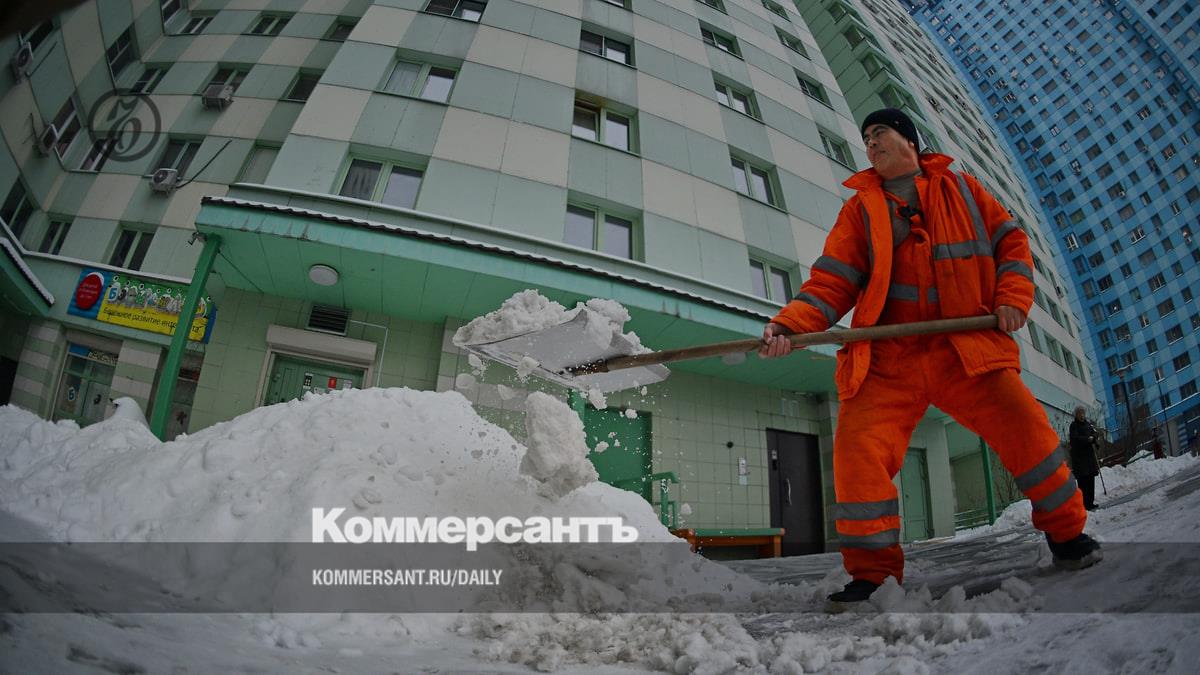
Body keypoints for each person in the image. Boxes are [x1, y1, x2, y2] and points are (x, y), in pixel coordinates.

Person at [759, 108, 1101, 604]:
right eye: (866, 137)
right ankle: (872, 577)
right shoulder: (860, 210)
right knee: (857, 454)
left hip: (964, 348)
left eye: (880, 133)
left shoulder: (963, 190)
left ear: (910, 141)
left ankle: (1067, 534)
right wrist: (790, 325)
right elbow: (831, 281)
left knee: (1027, 429)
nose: (871, 143)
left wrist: (1011, 298)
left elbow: (1012, 244)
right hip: (888, 357)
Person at [1068, 407, 1101, 510]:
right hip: (1080, 458)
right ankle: (1084, 504)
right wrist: (1087, 439)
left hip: (1089, 457)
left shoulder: (1088, 424)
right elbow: (1075, 439)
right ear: (1076, 415)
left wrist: (1094, 438)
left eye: (1083, 413)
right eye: (1080, 413)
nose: (1082, 415)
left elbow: (1095, 433)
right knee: (1083, 482)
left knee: (1091, 480)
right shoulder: (1074, 426)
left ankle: (1090, 502)